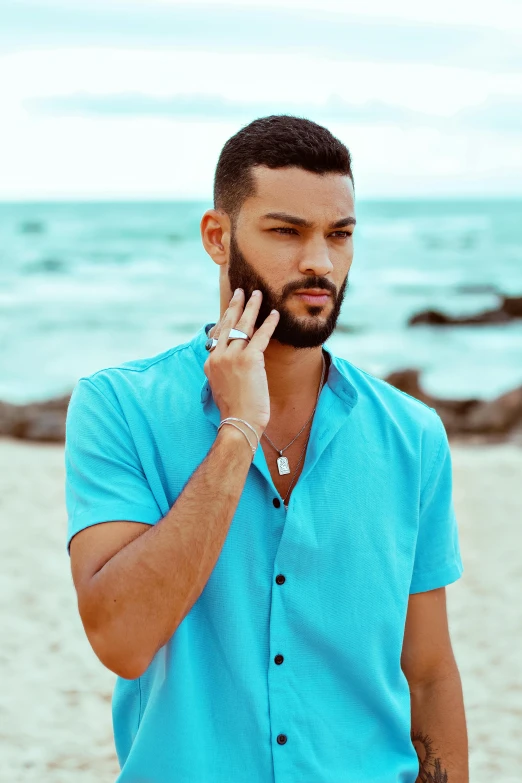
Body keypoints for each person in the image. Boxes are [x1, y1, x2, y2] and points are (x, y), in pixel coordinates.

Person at [65, 115, 468, 783]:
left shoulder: (413, 435)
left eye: (339, 235)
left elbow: (427, 674)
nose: (320, 261)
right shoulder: (118, 408)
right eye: (288, 231)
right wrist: (237, 433)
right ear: (217, 238)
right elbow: (122, 638)